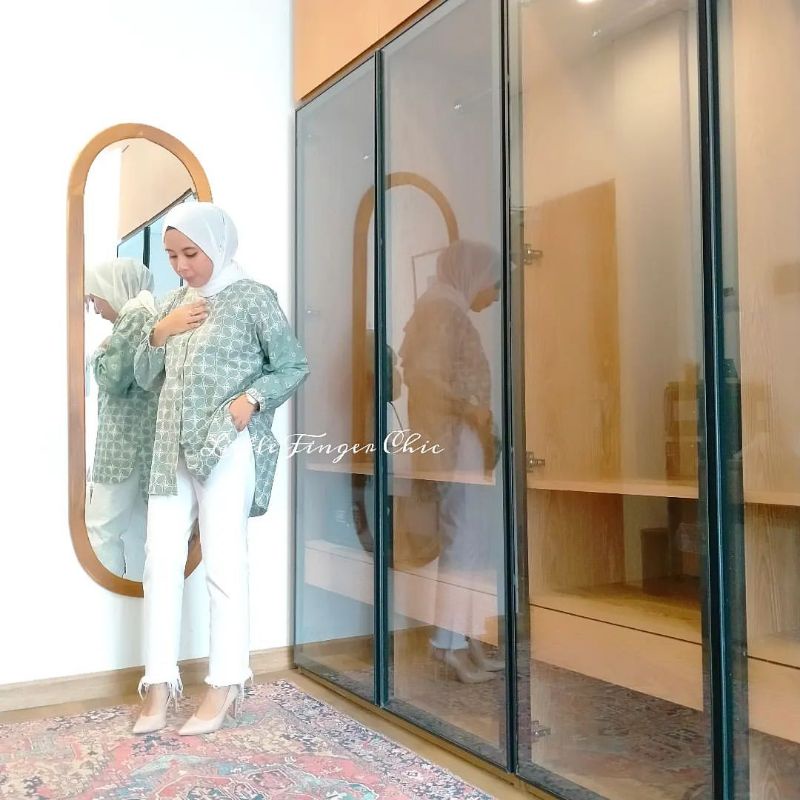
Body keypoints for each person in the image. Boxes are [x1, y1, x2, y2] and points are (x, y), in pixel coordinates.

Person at [131, 202, 309, 735]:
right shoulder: (173, 304)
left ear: (218, 245)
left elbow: (293, 364)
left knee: (224, 565)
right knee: (160, 562)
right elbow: (144, 377)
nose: (181, 265)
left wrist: (251, 400)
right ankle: (158, 683)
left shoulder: (253, 298)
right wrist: (159, 332)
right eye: (171, 256)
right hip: (172, 447)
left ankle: (226, 681)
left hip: (228, 445)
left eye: (190, 253)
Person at [398, 239, 504, 683]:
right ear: (473, 276)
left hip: (459, 439)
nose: (495, 296)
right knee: (463, 542)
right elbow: (424, 377)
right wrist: (470, 409)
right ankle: (450, 645)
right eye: (494, 285)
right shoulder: (442, 309)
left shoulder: (443, 307)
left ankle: (463, 639)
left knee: (472, 541)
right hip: (454, 439)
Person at [85, 258, 158, 581]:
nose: (97, 308)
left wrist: (98, 354)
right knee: (140, 530)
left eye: (96, 297)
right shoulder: (145, 314)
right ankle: (136, 599)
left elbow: (113, 378)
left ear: (113, 288)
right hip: (139, 442)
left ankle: (108, 602)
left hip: (123, 446)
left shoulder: (134, 317)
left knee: (102, 530)